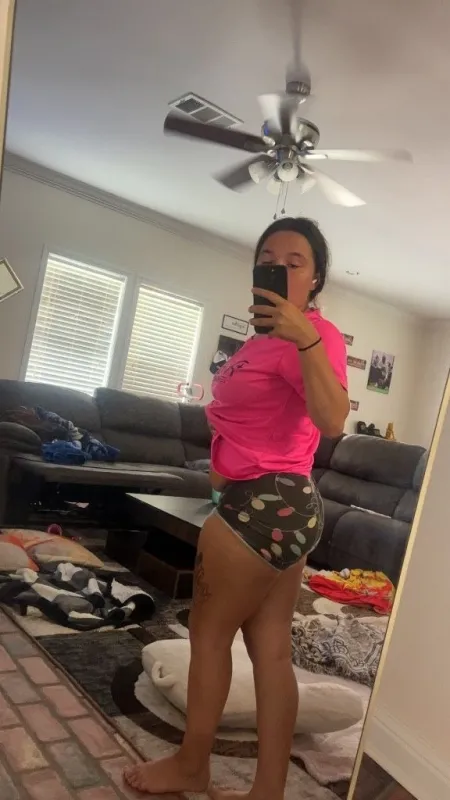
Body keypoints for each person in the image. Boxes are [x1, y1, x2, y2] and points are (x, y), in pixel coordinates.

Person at [124, 216, 350, 799]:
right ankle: (268, 790)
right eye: (267, 259)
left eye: (294, 261)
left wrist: (303, 337)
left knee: (208, 636)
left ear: (315, 277)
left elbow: (332, 420)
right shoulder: (260, 341)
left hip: (261, 502)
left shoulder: (315, 334)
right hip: (280, 505)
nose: (277, 267)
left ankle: (191, 765)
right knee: (270, 653)